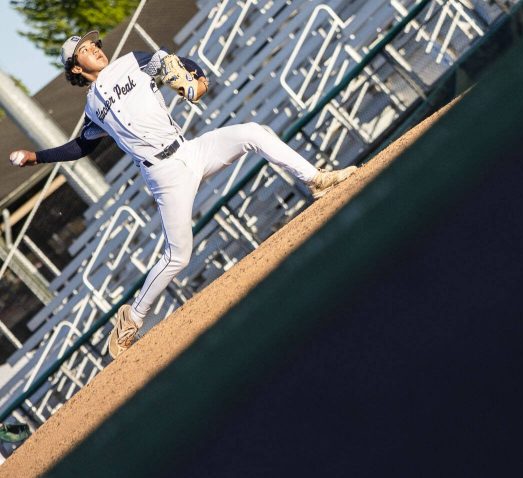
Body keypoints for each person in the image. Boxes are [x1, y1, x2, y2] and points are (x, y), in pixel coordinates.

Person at [8, 31, 355, 358]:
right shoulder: (92, 108)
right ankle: (132, 317)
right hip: (164, 173)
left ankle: (316, 179)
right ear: (77, 68)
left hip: (188, 150)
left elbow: (175, 62)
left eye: (93, 43)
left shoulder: (133, 60)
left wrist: (198, 76)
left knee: (252, 132)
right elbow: (79, 147)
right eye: (85, 50)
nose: (95, 48)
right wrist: (36, 157)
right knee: (179, 256)